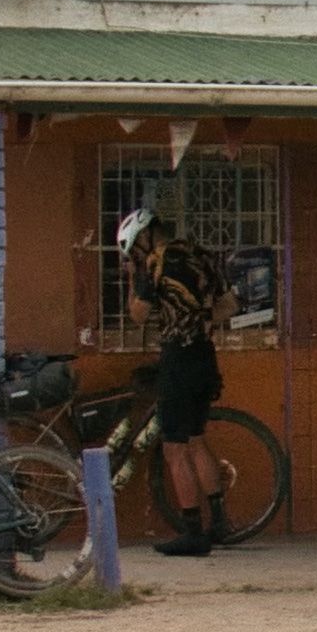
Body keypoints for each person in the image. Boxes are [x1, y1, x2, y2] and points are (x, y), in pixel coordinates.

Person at [119, 205, 234, 557]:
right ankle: (219, 523)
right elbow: (229, 304)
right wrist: (201, 319)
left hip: (178, 360)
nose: (135, 254)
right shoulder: (200, 255)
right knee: (197, 439)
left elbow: (137, 315)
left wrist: (131, 276)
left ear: (143, 238)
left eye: (133, 248)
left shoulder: (154, 263)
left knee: (174, 447)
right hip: (204, 356)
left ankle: (193, 531)